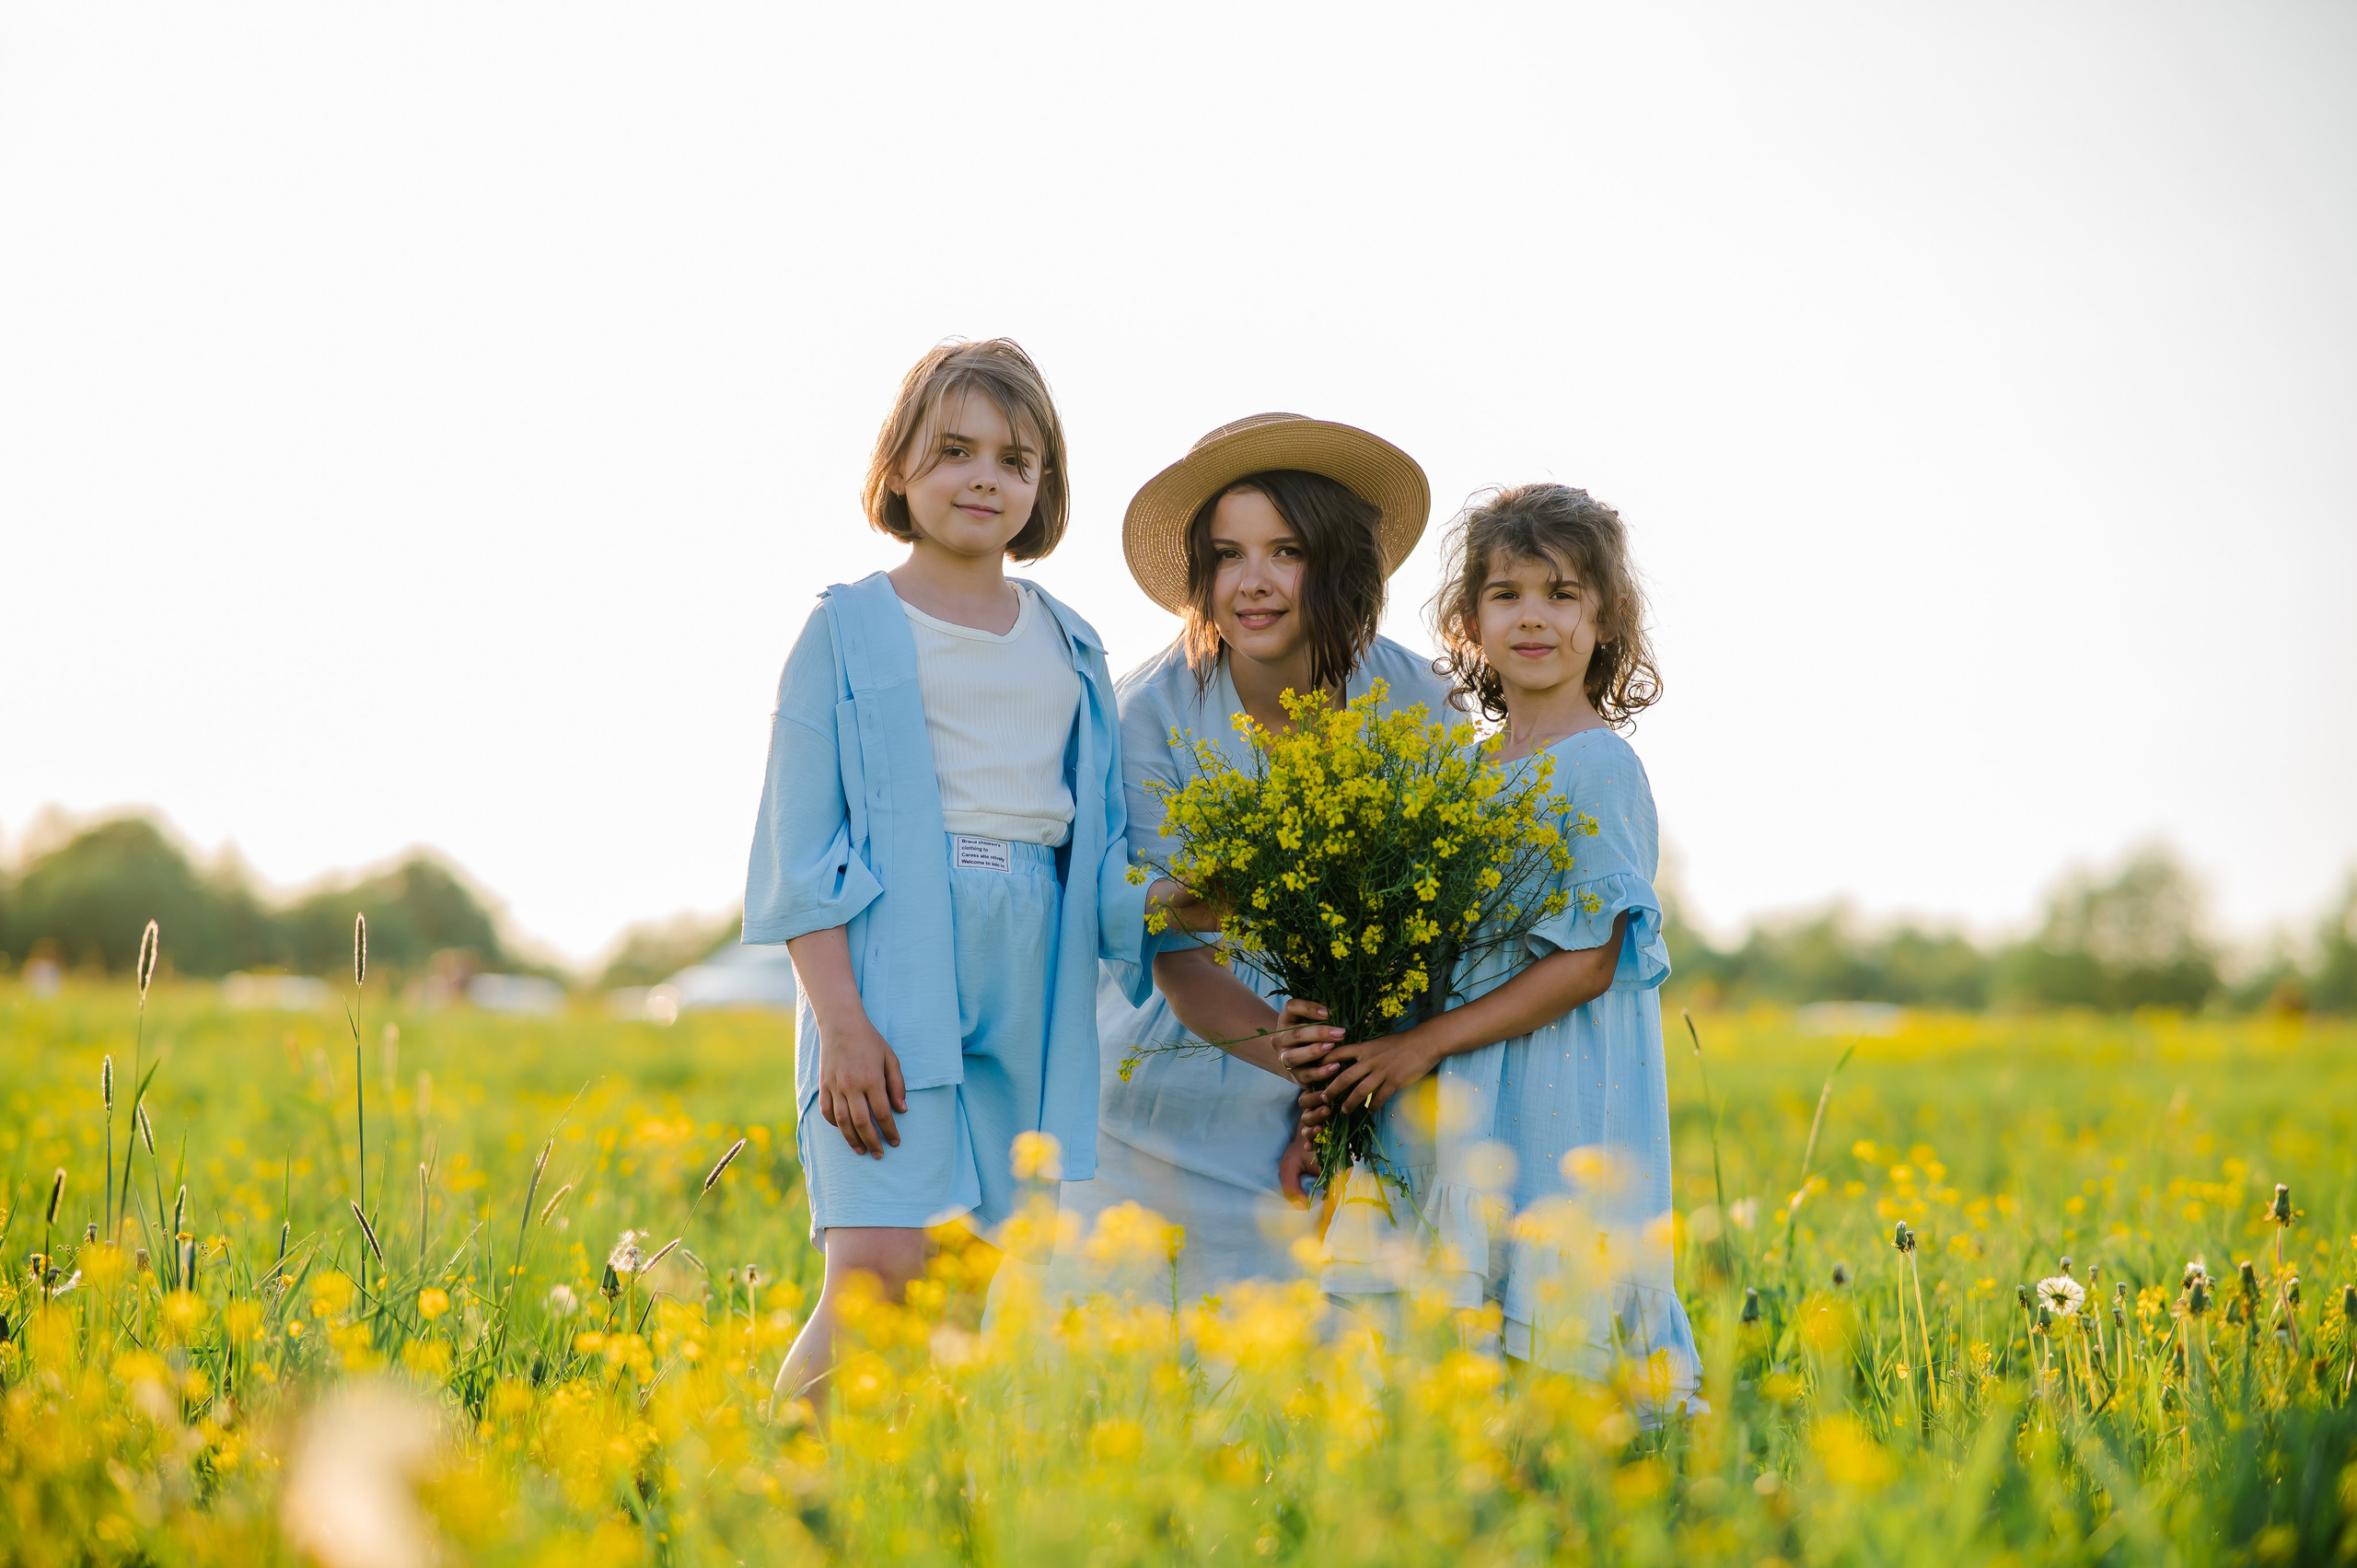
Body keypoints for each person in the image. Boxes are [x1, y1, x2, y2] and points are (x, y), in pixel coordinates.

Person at [743, 339, 1190, 1411]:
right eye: (952, 450)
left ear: (1043, 487)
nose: (984, 476)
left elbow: (1099, 859)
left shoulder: (1073, 643)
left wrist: (1225, 888)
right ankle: (767, 1495)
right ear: (899, 467)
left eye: (1013, 457)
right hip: (892, 968)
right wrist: (842, 1025)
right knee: (877, 1279)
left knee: (959, 1280)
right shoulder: (847, 625)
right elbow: (800, 853)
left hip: (1033, 971)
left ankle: (885, 1508)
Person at [1290, 482, 1701, 1411]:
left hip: (1549, 1085)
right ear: (1469, 619)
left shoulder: (1598, 765)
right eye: (1508, 593)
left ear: (1605, 623)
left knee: (1545, 1348)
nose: (1533, 618)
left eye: (1563, 595)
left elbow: (1585, 961)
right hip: (1453, 1085)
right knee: (1440, 1368)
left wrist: (1419, 1044)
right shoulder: (1469, 771)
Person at [1034, 412, 1458, 1306]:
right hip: (1165, 1113)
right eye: (1227, 555)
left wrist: (1357, 1092)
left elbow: (1443, 923)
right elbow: (1177, 958)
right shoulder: (1145, 712)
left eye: (1285, 551)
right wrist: (1312, 1070)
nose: (1251, 583)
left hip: (1367, 1088)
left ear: (1338, 559)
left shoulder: (1422, 697)